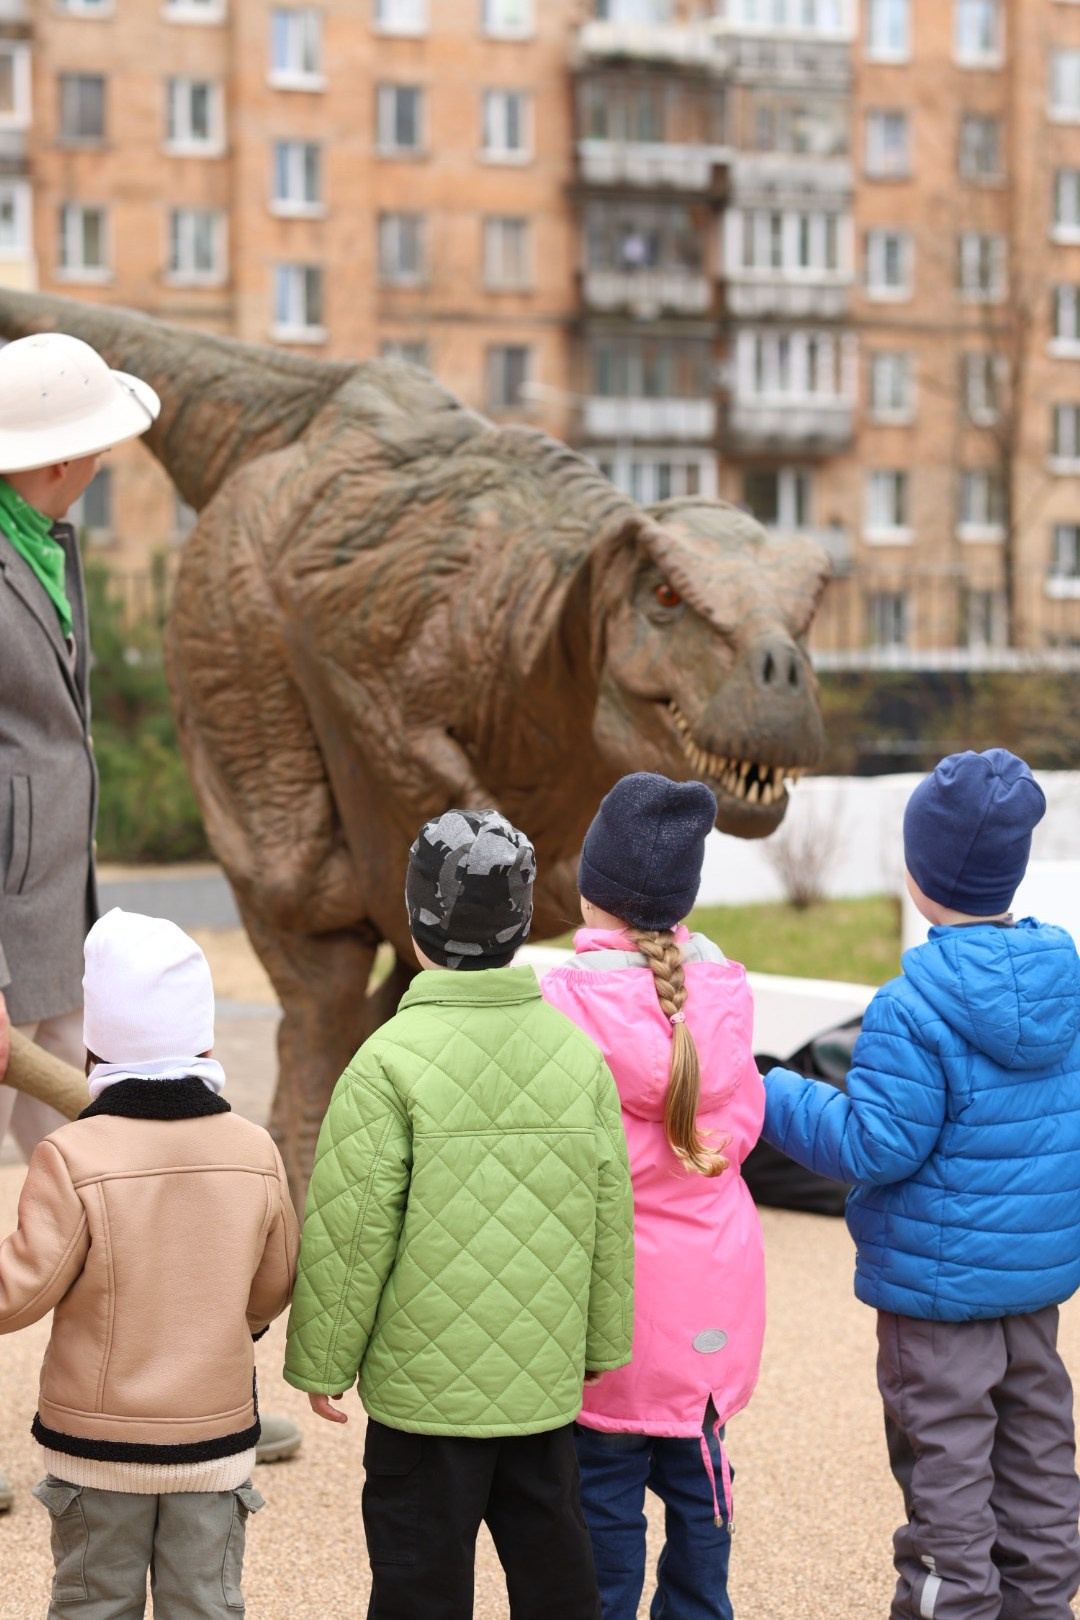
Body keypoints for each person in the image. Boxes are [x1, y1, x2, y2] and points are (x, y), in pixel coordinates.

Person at [0, 331, 300, 1505]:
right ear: (59, 456)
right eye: (99, 445)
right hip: (9, 922)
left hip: (46, 914)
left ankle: (183, 1392)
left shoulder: (47, 541)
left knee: (98, 1152)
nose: (112, 462)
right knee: (91, 1151)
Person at [283, 808, 635, 1620]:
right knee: (556, 1580)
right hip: (540, 1391)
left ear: (415, 926)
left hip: (421, 1398)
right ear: (521, 926)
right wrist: (600, 1341)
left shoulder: (386, 1063)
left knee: (418, 1585)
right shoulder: (577, 1057)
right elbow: (608, 1212)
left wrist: (324, 1361)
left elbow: (352, 1226)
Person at [762, 748, 1080, 1620]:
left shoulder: (912, 1008)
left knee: (947, 1485)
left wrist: (772, 1093)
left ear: (918, 873)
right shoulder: (1065, 986)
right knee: (1040, 1467)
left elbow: (875, 1146)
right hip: (1034, 1293)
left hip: (936, 1305)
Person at [0, 907, 300, 1617]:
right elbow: (276, 1279)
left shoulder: (74, 1156)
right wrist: (233, 1325)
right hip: (213, 1437)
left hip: (95, 1443)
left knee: (93, 1601)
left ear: (95, 1048)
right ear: (201, 1035)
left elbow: (19, 1291)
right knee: (205, 1600)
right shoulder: (254, 1149)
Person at [541, 772, 767, 1620]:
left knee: (601, 1495)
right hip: (710, 1309)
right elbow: (740, 1129)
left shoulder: (563, 1003)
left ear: (591, 891)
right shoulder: (724, 1004)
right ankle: (701, 1607)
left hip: (611, 1314)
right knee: (703, 1482)